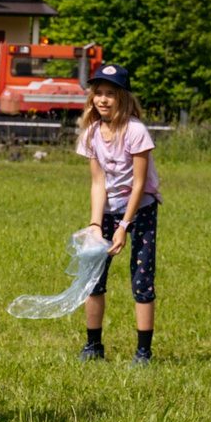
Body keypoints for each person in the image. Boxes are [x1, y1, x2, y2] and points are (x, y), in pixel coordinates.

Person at [77, 62, 160, 363]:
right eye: (98, 93)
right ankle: (93, 346)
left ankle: (143, 352)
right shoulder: (90, 133)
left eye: (110, 94)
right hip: (108, 211)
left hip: (140, 211)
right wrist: (96, 224)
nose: (102, 99)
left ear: (123, 97)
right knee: (94, 277)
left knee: (142, 279)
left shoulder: (136, 131)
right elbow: (98, 183)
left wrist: (124, 225)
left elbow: (139, 184)